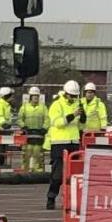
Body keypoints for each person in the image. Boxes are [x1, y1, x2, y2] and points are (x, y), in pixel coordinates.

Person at [44, 79, 85, 208]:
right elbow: (58, 123)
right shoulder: (57, 105)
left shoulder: (77, 104)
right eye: (72, 95)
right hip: (59, 143)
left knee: (74, 175)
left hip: (73, 142)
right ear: (66, 93)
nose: (74, 98)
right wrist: (73, 115)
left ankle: (70, 201)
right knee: (57, 175)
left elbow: (81, 123)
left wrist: (83, 115)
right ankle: (51, 198)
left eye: (76, 96)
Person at [17, 86, 49, 173]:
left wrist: (44, 128)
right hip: (27, 134)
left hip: (39, 134)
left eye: (37, 96)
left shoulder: (43, 107)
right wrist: (24, 126)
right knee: (27, 152)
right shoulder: (24, 107)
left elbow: (47, 119)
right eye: (34, 96)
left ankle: (38, 171)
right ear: (30, 97)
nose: (36, 97)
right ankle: (25, 170)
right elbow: (19, 119)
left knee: (38, 153)